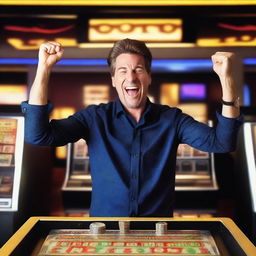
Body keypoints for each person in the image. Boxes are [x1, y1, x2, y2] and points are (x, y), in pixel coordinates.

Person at [21, 38, 243, 217]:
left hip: (158, 235)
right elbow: (38, 135)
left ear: (148, 77)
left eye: (138, 69)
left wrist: (227, 80)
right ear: (113, 79)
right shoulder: (94, 118)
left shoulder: (172, 119)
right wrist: (44, 69)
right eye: (123, 71)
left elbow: (221, 142)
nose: (131, 77)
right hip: (104, 235)